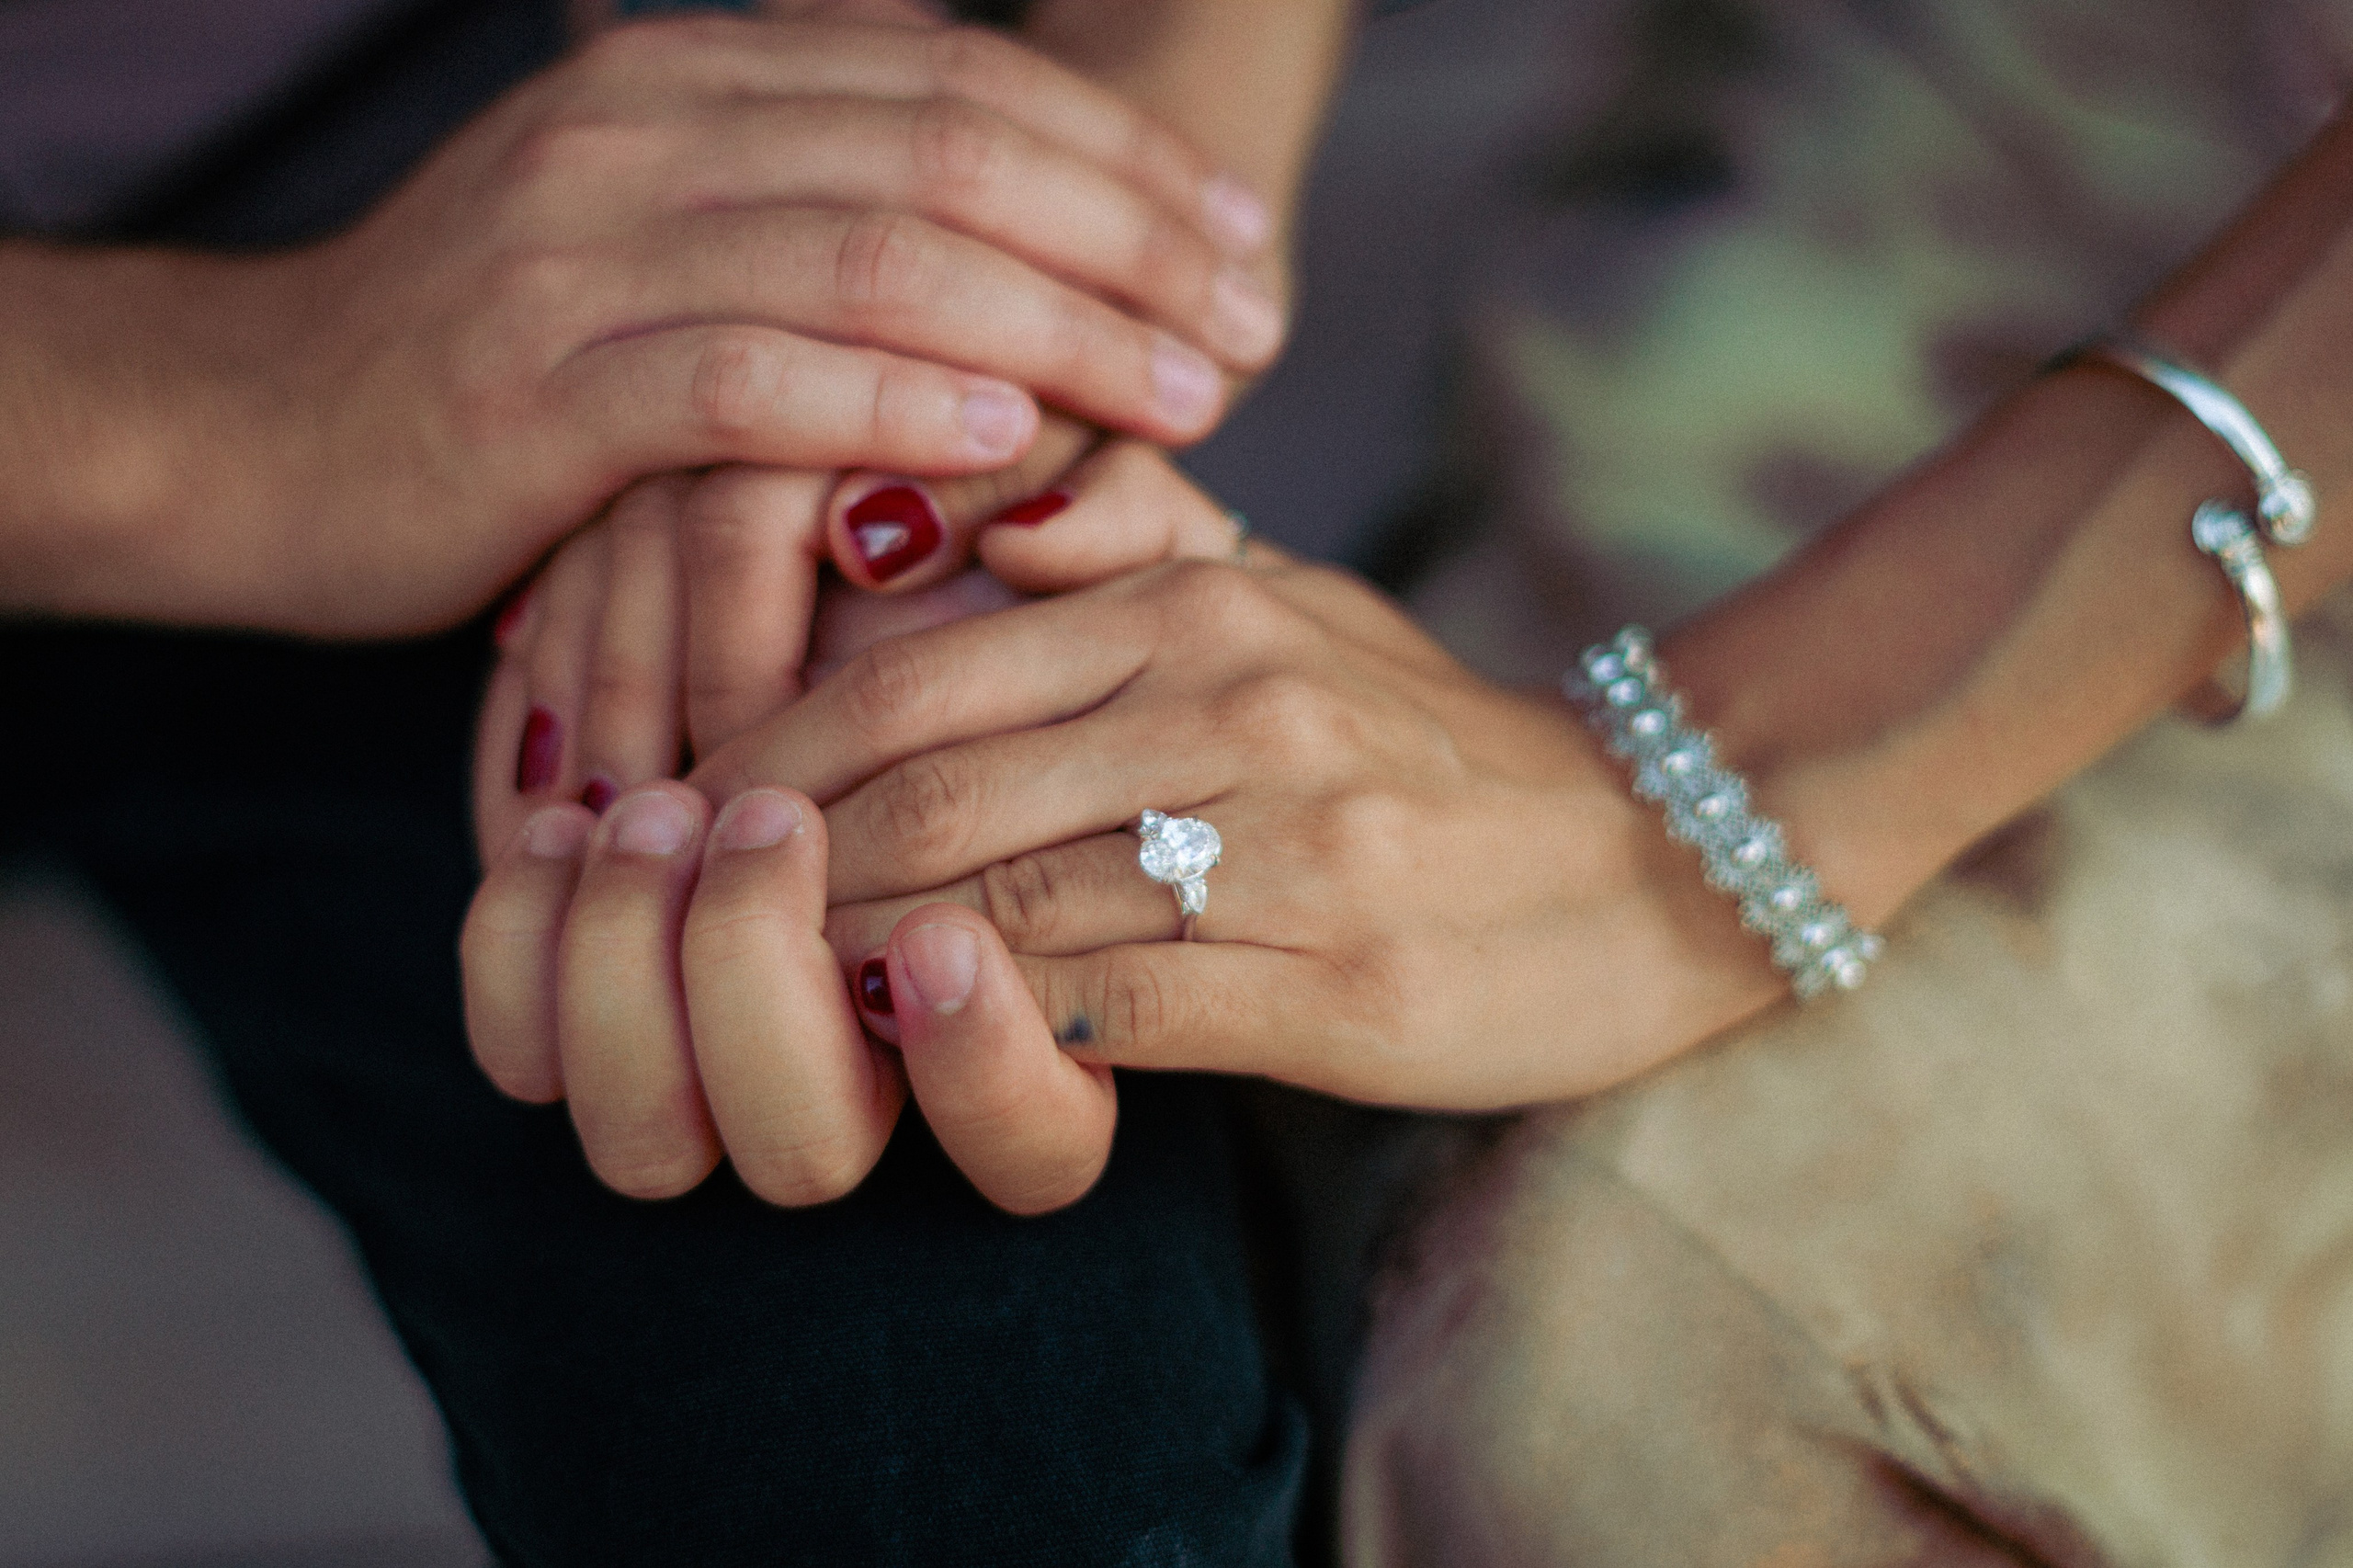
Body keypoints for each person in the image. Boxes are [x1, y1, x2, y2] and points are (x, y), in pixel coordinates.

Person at [0, 0, 1366, 1560]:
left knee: (973, 1465)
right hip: (258, 353)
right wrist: (218, 405)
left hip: (564, 246)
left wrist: (1071, 201)